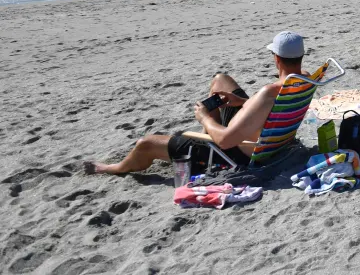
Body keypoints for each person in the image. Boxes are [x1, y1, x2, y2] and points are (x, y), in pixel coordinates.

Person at [85, 31, 309, 175]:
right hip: (271, 137)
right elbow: (272, 109)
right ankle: (201, 139)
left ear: (276, 58)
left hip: (239, 151)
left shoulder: (269, 92)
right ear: (300, 56)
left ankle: (115, 168)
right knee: (221, 80)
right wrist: (241, 102)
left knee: (146, 144)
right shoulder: (304, 80)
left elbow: (225, 140)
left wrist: (203, 117)